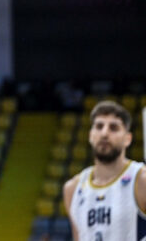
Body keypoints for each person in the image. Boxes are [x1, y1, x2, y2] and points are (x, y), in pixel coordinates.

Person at [62, 100, 146, 240]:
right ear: (90, 135)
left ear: (128, 138)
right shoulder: (72, 188)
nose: (105, 133)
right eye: (99, 126)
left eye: (114, 128)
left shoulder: (141, 179)